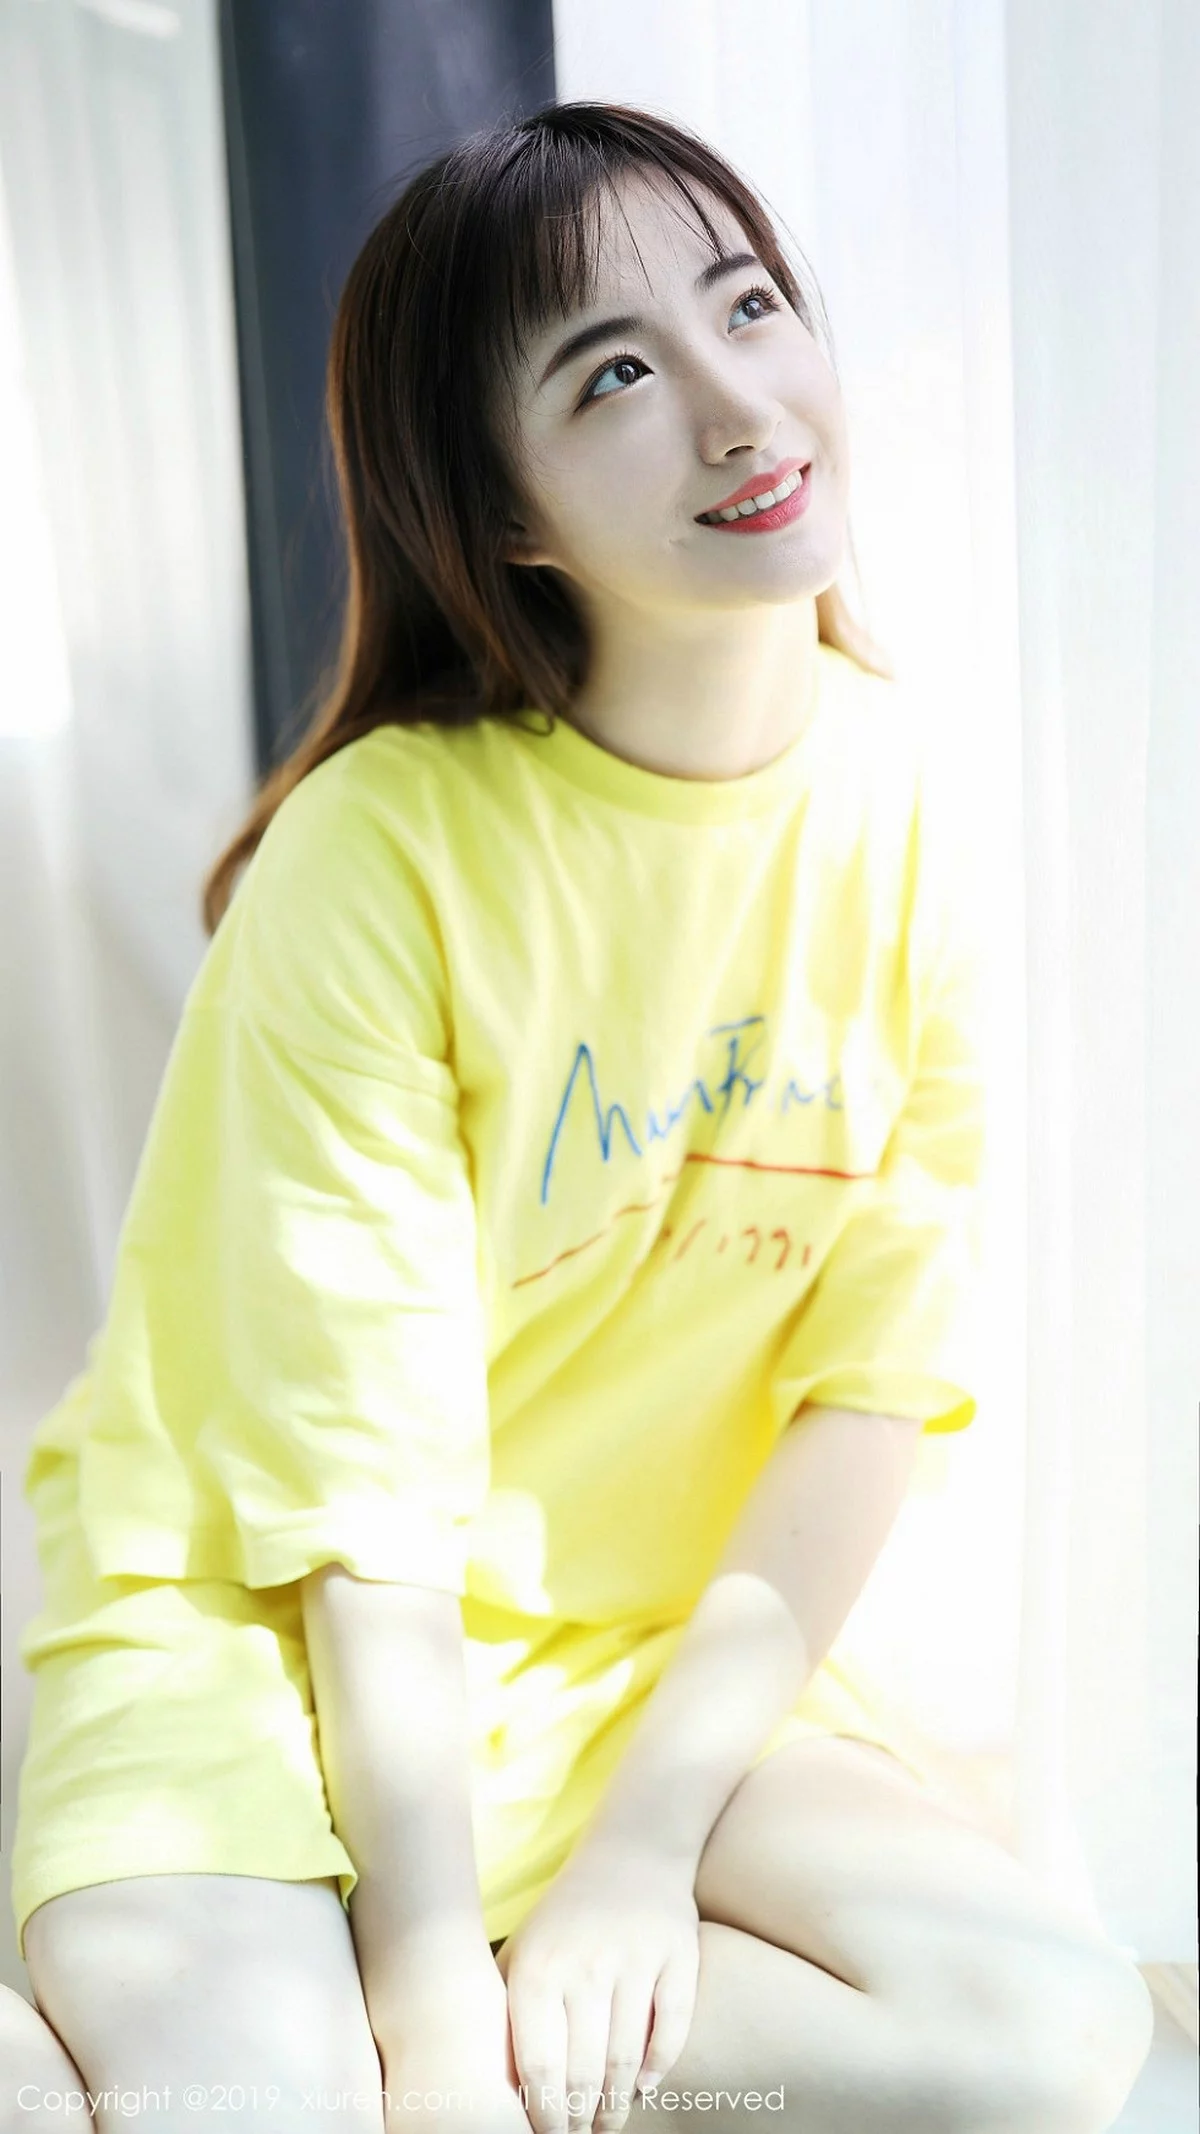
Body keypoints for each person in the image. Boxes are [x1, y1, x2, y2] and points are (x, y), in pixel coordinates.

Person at [3, 100, 1152, 2134]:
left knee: (1047, 2032)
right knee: (257, 2106)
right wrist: (435, 1999)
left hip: (641, 1656)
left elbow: (868, 1393)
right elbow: (358, 1492)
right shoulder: (380, 856)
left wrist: (639, 1850)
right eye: (613, 374)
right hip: (260, 1650)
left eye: (749, 304)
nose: (736, 403)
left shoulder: (913, 812)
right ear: (504, 512)